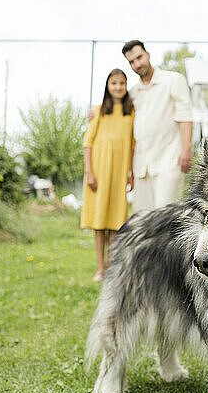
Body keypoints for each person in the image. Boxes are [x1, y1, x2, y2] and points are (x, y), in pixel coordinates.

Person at [122, 40, 193, 212]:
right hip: (142, 167)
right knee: (143, 220)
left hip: (169, 161)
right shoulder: (133, 93)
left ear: (148, 55)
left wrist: (186, 150)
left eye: (139, 57)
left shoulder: (173, 80)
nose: (137, 64)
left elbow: (185, 117)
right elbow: (115, 110)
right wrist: (96, 111)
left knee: (165, 218)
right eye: (132, 62)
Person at [81, 69, 135, 281]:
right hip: (99, 171)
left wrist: (130, 173)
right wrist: (89, 171)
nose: (118, 87)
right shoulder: (99, 111)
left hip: (119, 173)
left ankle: (111, 266)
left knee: (114, 221)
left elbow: (132, 145)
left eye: (122, 83)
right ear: (107, 86)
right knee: (99, 221)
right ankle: (100, 267)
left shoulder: (130, 112)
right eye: (114, 83)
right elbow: (88, 142)